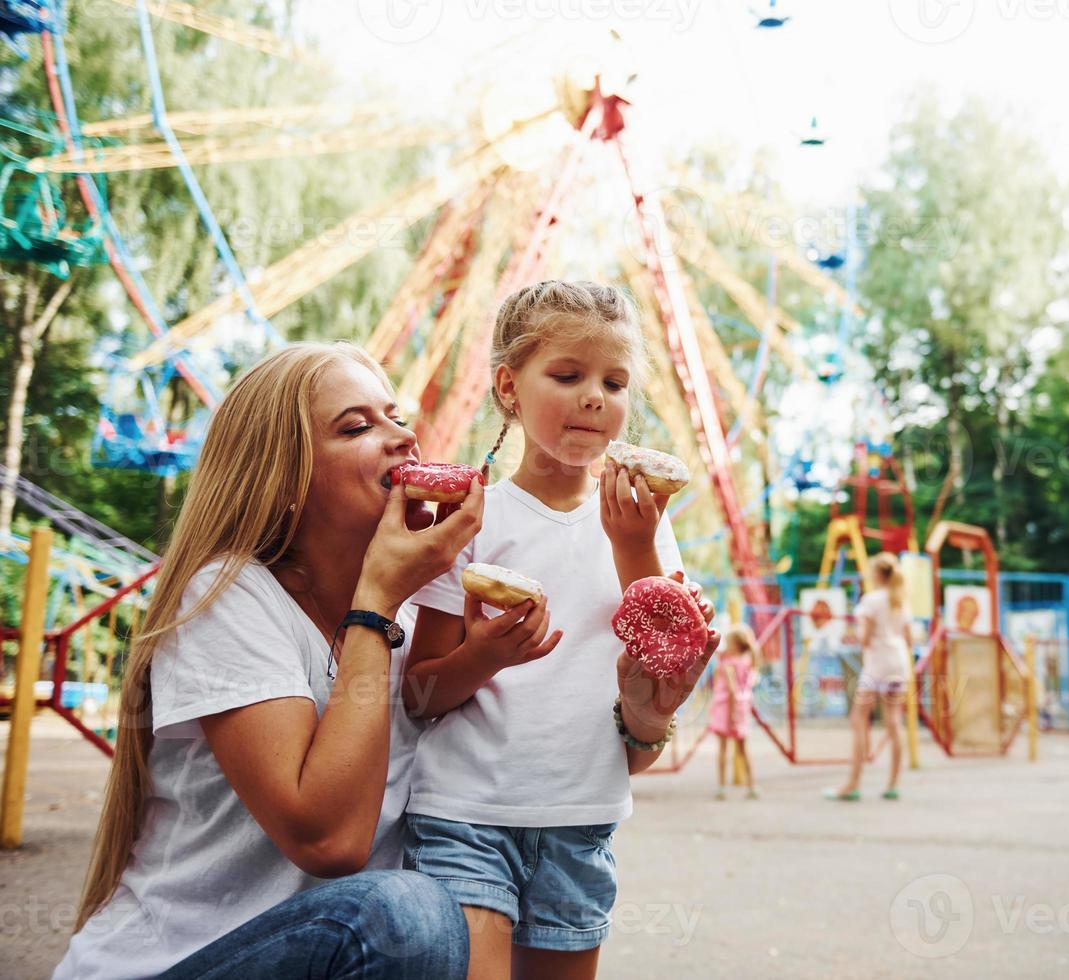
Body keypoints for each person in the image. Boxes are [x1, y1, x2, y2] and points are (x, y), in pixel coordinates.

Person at [54, 342, 487, 979]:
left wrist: (644, 704)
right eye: (357, 427)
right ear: (284, 481)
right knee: (408, 915)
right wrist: (376, 603)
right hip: (174, 964)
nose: (404, 437)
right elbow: (328, 841)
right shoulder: (225, 595)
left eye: (396, 417)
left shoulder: (427, 625)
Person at [401, 281, 717, 980]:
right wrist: (483, 657)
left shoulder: (652, 531)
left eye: (615, 380)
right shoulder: (471, 521)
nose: (595, 397)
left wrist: (637, 550)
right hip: (466, 816)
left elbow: (656, 692)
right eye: (568, 375)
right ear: (509, 388)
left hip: (584, 818)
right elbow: (418, 696)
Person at [827, 553, 913, 802]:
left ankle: (853, 783)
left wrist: (856, 636)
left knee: (858, 719)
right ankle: (893, 784)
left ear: (877, 575)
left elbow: (864, 638)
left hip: (877, 664)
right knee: (894, 723)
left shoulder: (871, 600)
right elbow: (908, 639)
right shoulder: (900, 601)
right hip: (898, 662)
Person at [710, 623, 760, 800]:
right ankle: (751, 786)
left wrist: (731, 715)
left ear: (735, 646)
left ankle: (721, 786)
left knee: (723, 749)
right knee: (743, 749)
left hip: (727, 709)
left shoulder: (728, 665)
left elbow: (731, 690)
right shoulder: (747, 664)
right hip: (742, 709)